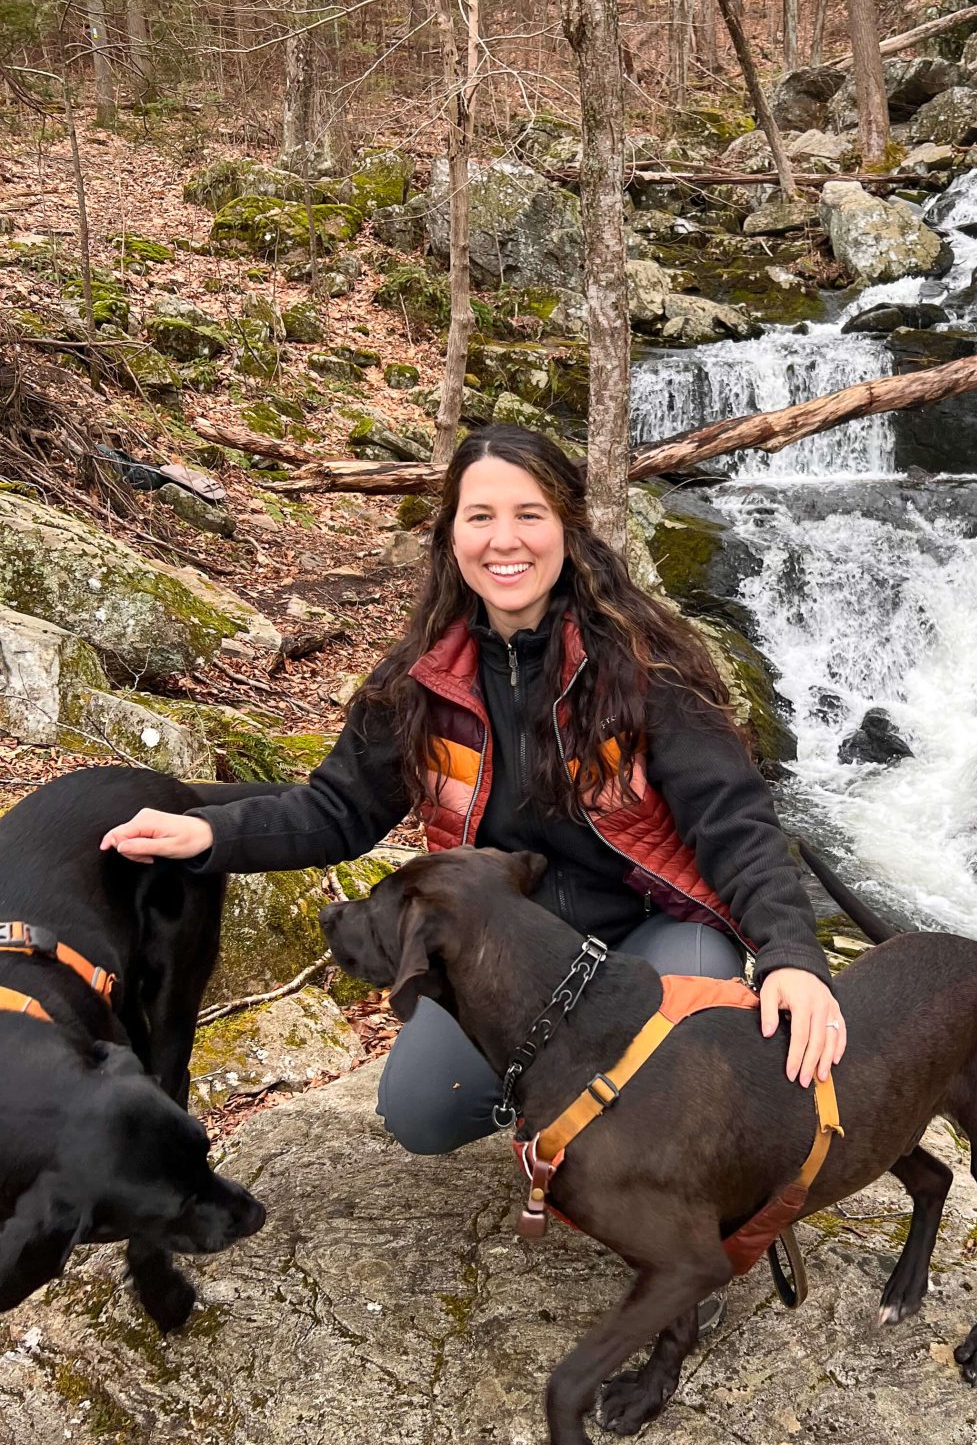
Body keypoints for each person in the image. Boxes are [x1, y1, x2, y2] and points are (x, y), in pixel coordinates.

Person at [101, 423, 846, 1160]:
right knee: (421, 1114)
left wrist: (792, 957)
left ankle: (632, 1150)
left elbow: (737, 824)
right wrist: (209, 834)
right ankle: (571, 1108)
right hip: (510, 961)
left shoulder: (647, 667)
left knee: (677, 1050)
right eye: (480, 517)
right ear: (451, 536)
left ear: (567, 528)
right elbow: (337, 809)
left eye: (529, 515)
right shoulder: (420, 682)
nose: (505, 540)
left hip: (654, 937)